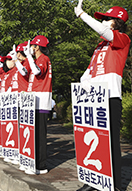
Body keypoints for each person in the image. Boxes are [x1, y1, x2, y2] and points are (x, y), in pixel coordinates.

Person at [75, 1, 130, 191]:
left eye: (107, 19)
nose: (104, 22)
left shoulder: (122, 39)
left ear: (117, 22)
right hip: (92, 100)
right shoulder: (99, 46)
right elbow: (89, 71)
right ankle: (93, 180)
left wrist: (82, 15)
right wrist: (83, 84)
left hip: (110, 97)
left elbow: (107, 33)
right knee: (92, 140)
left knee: (110, 142)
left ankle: (114, 185)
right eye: (104, 19)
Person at [24, 35, 52, 175]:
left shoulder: (43, 59)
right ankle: (33, 162)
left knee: (40, 135)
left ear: (37, 47)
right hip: (33, 101)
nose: (30, 49)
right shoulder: (37, 60)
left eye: (33, 46)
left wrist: (29, 57)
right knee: (33, 134)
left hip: (41, 101)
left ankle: (41, 166)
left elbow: (37, 72)